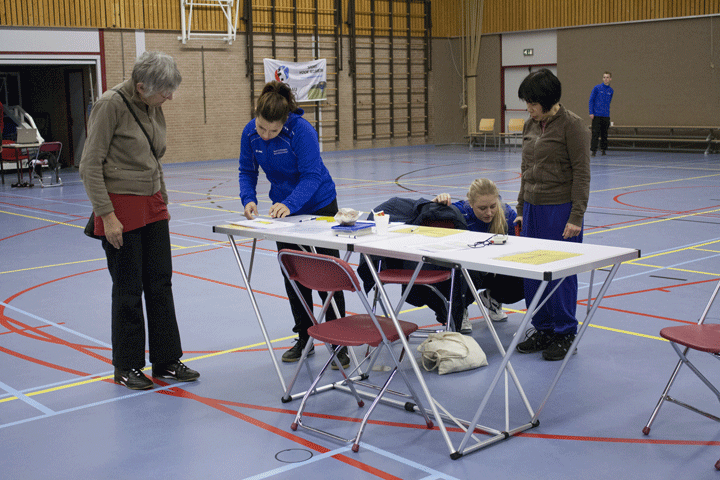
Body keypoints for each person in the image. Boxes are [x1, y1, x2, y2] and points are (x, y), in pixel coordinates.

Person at [79, 51, 200, 390]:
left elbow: (152, 156)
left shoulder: (152, 104)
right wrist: (107, 215)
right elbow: (90, 165)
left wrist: (161, 196)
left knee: (161, 282)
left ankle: (166, 361)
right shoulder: (110, 105)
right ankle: (127, 366)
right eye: (165, 92)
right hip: (120, 207)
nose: (169, 98)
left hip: (152, 203)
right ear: (142, 85)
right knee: (129, 288)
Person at [238, 81, 348, 368]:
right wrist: (248, 198)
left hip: (319, 204)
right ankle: (305, 337)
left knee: (327, 273)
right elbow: (247, 170)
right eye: (262, 128)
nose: (265, 135)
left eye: (273, 131)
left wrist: (290, 204)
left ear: (284, 120)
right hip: (283, 213)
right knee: (294, 274)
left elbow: (312, 176)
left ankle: (339, 342)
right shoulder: (249, 133)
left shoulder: (302, 131)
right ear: (256, 115)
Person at [515, 68, 591, 361]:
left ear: (548, 100)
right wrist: (521, 209)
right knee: (532, 274)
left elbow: (582, 174)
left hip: (560, 211)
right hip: (533, 209)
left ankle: (564, 333)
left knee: (560, 275)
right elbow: (524, 174)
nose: (528, 108)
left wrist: (576, 216)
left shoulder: (573, 126)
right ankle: (543, 328)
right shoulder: (529, 126)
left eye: (532, 103)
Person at [430, 178, 525, 333]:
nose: (489, 213)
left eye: (493, 206)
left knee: (527, 279)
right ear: (471, 203)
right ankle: (461, 308)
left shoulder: (506, 213)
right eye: (482, 208)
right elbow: (427, 218)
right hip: (466, 274)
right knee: (468, 272)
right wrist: (435, 203)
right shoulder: (459, 211)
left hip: (493, 270)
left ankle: (492, 298)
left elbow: (523, 240)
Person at [588, 71, 613, 156]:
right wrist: (591, 112)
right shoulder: (597, 88)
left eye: (607, 77)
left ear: (610, 79)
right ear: (602, 78)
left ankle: (603, 150)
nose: (606, 79)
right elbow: (591, 100)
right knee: (595, 133)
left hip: (606, 116)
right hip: (597, 115)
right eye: (604, 77)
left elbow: (609, 102)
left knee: (604, 134)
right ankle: (593, 150)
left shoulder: (611, 90)